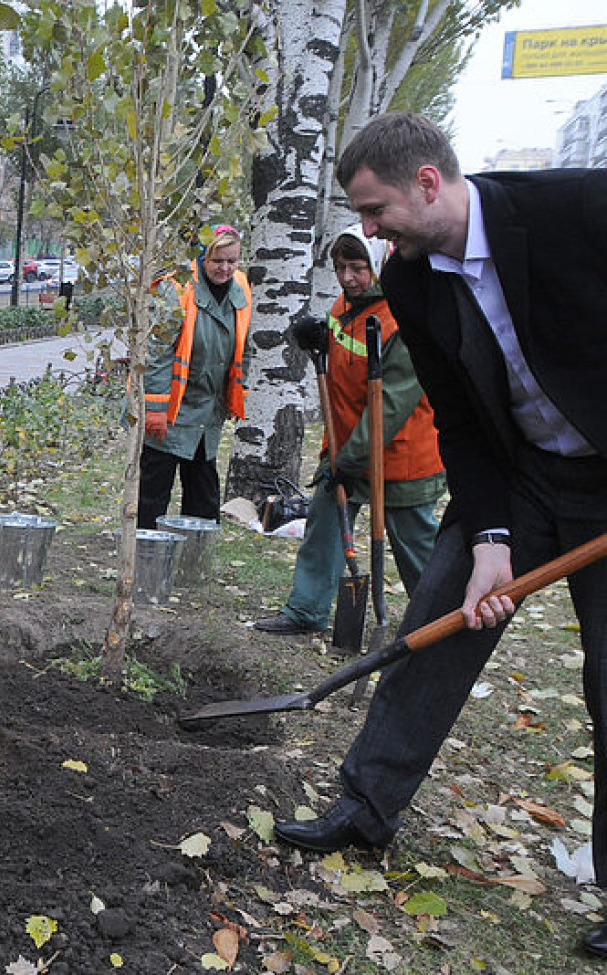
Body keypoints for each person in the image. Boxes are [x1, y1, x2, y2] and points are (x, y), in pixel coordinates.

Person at [271, 112, 607, 960]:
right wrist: (490, 534)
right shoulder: (413, 280)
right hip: (522, 475)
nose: (371, 230)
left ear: (428, 182)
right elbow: (459, 417)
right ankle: (365, 807)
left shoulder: (577, 208)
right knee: (434, 626)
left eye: (376, 210)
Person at [254, 226, 444, 636]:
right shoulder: (348, 303)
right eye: (340, 267)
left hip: (400, 456)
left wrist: (350, 459)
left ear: (379, 263)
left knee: (416, 548)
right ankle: (306, 610)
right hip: (344, 445)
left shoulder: (404, 320)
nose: (347, 278)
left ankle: (442, 625)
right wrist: (321, 338)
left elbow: (390, 407)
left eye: (358, 268)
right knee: (323, 524)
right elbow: (344, 351)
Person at [138, 224, 252, 528]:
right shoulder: (175, 288)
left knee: (203, 494)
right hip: (169, 411)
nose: (225, 268)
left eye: (232, 261)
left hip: (205, 411)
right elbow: (157, 353)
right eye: (217, 261)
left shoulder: (240, 287)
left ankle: (193, 558)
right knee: (153, 493)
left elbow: (243, 345)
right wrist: (155, 408)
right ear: (202, 258)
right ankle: (146, 557)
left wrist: (237, 393)